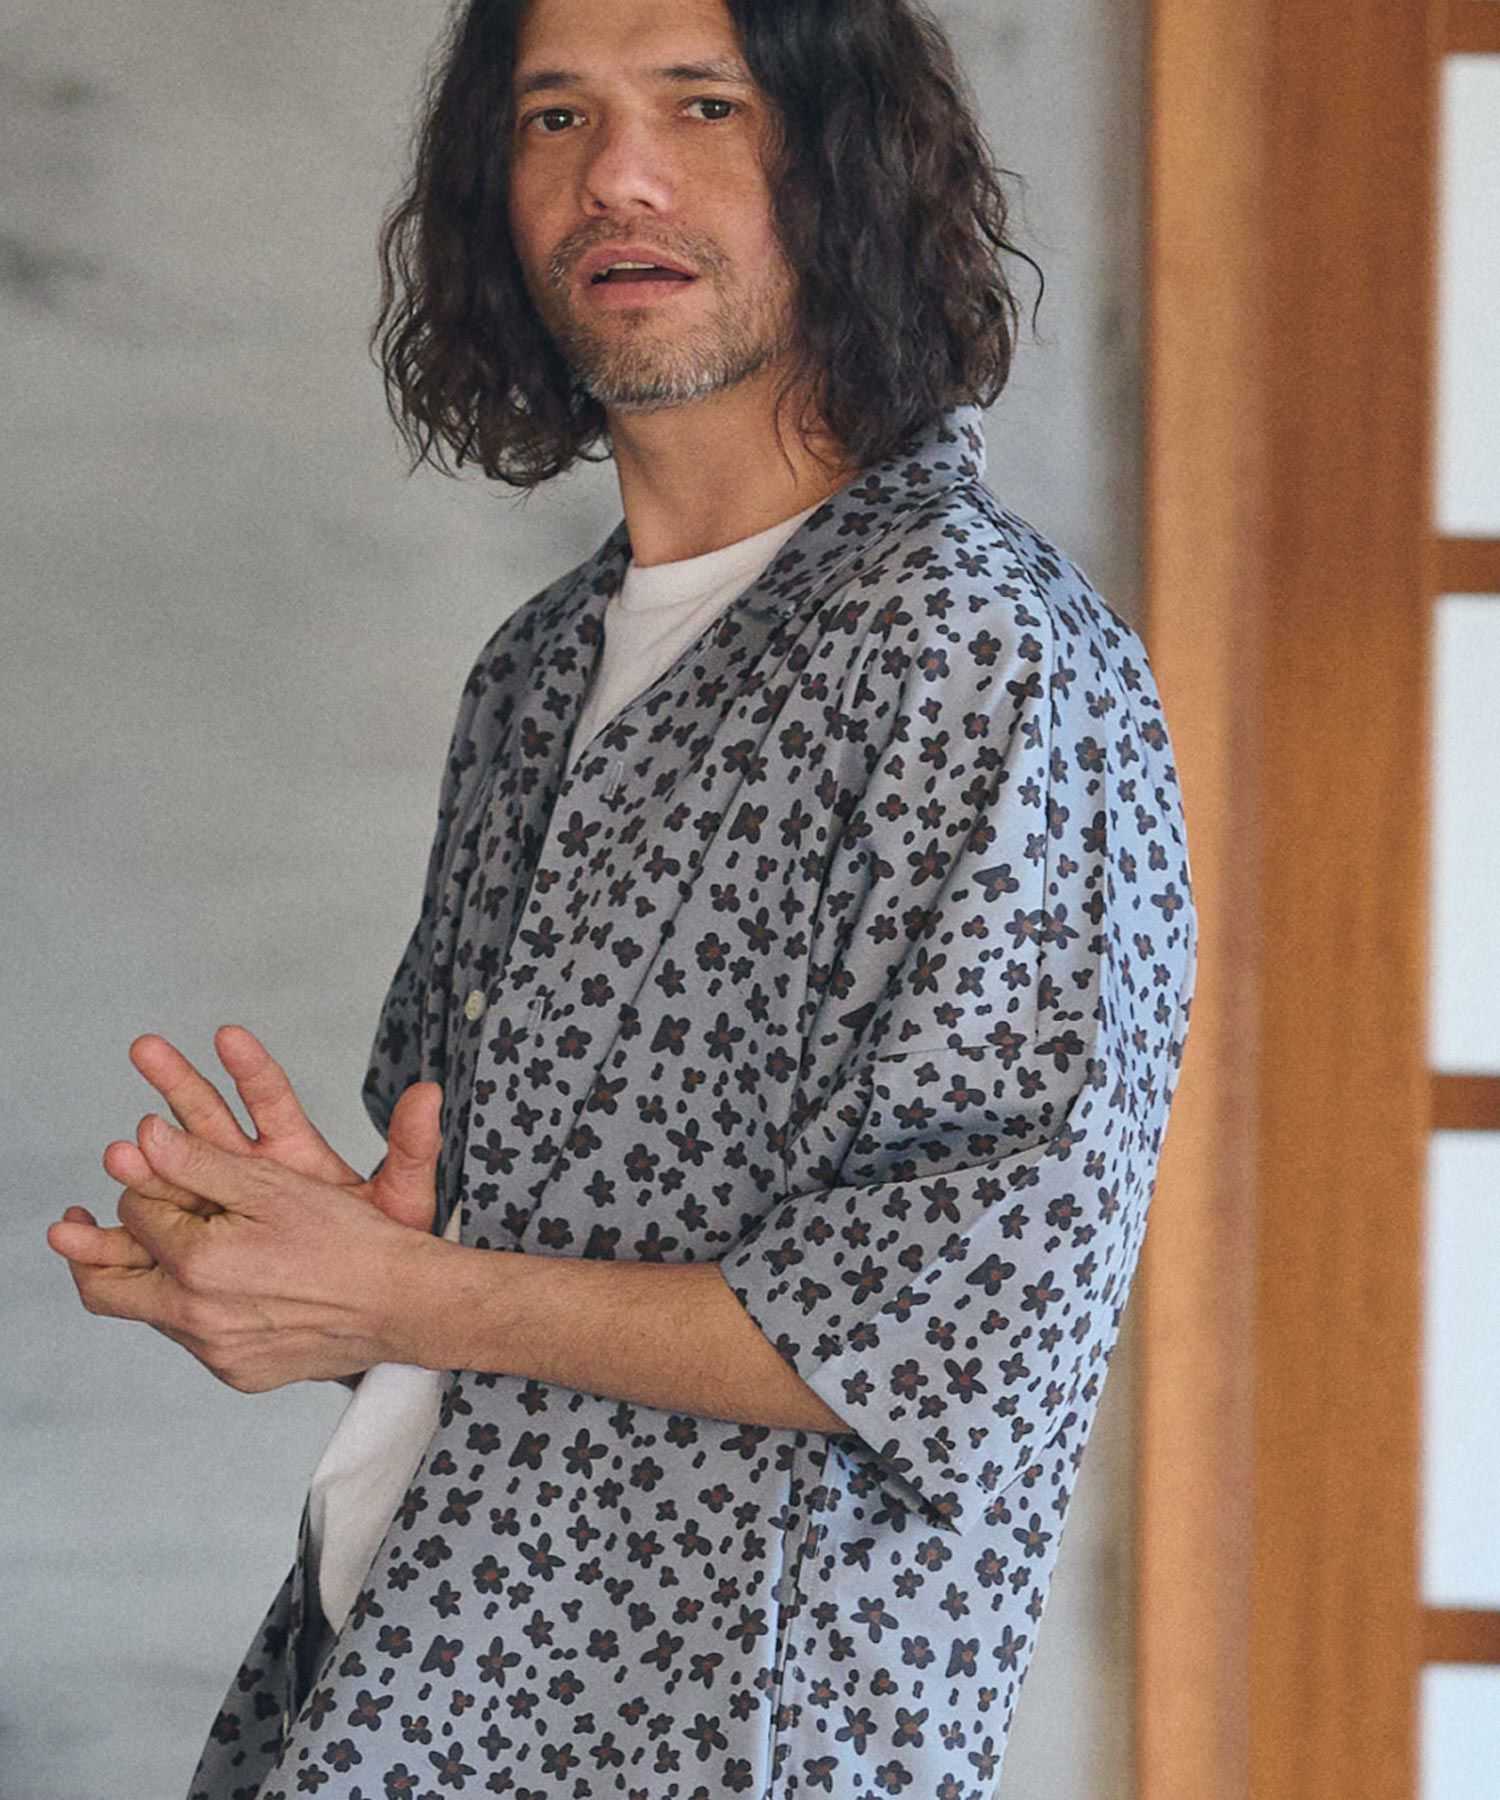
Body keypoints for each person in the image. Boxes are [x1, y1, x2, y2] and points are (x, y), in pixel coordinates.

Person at [46, 0, 1199, 1794]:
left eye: (702, 105)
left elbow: (961, 1327)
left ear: (849, 163)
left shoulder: (981, 655)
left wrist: (406, 1295)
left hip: (709, 1748)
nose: (620, 179)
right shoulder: (539, 669)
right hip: (383, 1693)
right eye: (555, 116)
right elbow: (494, 1281)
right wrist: (320, 1267)